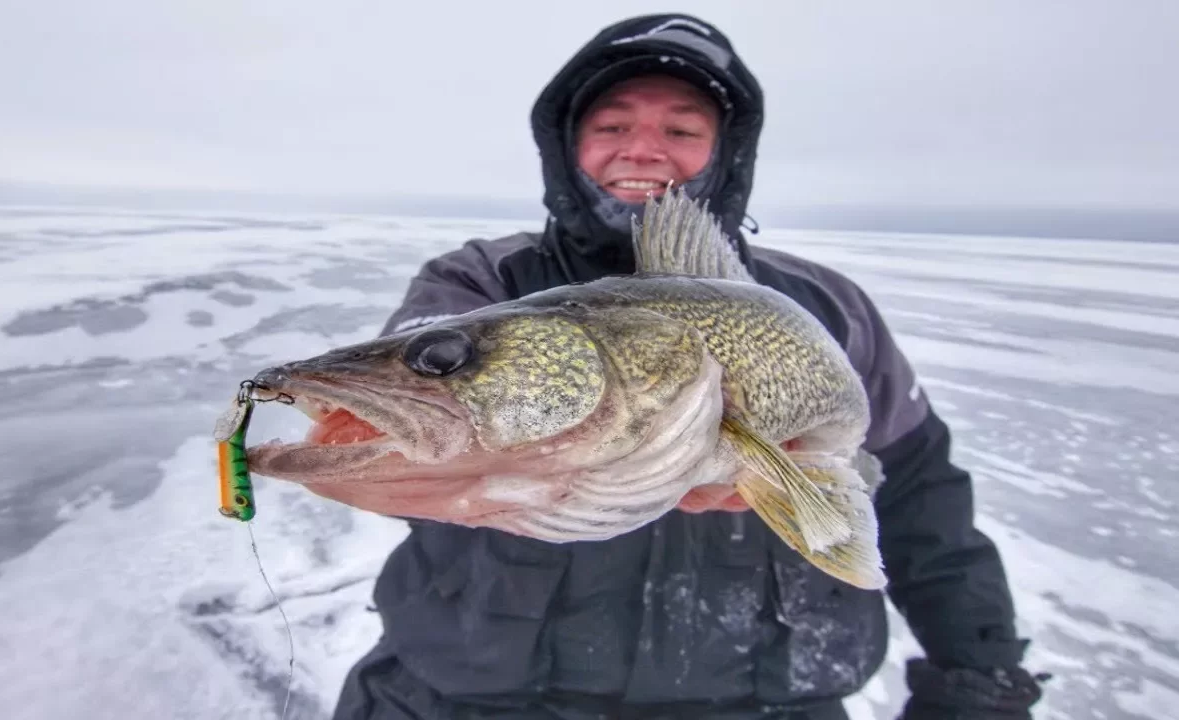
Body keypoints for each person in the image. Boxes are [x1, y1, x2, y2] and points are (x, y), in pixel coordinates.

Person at [334, 13, 1046, 720]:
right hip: (472, 698)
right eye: (612, 127)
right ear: (566, 145)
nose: (643, 150)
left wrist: (978, 674)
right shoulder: (484, 283)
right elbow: (421, 411)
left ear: (728, 153)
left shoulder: (825, 306)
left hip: (771, 705)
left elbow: (923, 500)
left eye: (681, 130)